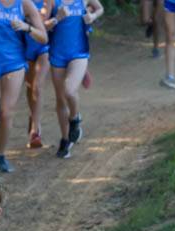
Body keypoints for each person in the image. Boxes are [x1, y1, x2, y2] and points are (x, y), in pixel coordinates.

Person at [0, 0, 48, 172]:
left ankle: (1, 156)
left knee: (7, 112)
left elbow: (43, 37)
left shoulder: (25, 5)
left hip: (15, 63)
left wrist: (27, 27)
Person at [47, 0, 104, 158]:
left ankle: (75, 118)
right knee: (60, 100)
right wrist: (57, 18)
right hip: (57, 53)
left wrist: (92, 16)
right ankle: (65, 140)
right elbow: (42, 26)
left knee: (70, 90)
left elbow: (100, 8)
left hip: (79, 52)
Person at [23, 0, 53, 149]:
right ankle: (33, 115)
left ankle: (36, 129)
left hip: (43, 46)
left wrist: (29, 18)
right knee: (29, 87)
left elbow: (43, 19)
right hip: (25, 46)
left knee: (37, 86)